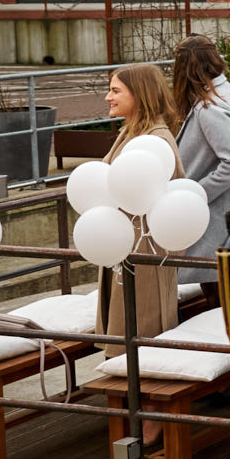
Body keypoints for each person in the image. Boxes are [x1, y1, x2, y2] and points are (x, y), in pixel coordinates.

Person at [97, 64, 187, 362]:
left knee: (142, 333)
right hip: (122, 244)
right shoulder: (130, 131)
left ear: (140, 94)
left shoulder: (156, 140)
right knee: (126, 332)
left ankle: (137, 398)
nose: (108, 97)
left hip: (143, 250)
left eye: (115, 91)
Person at [169, 35, 230, 285]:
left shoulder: (210, 107)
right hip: (217, 214)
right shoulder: (227, 92)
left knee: (211, 295)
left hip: (211, 217)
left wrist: (196, 193)